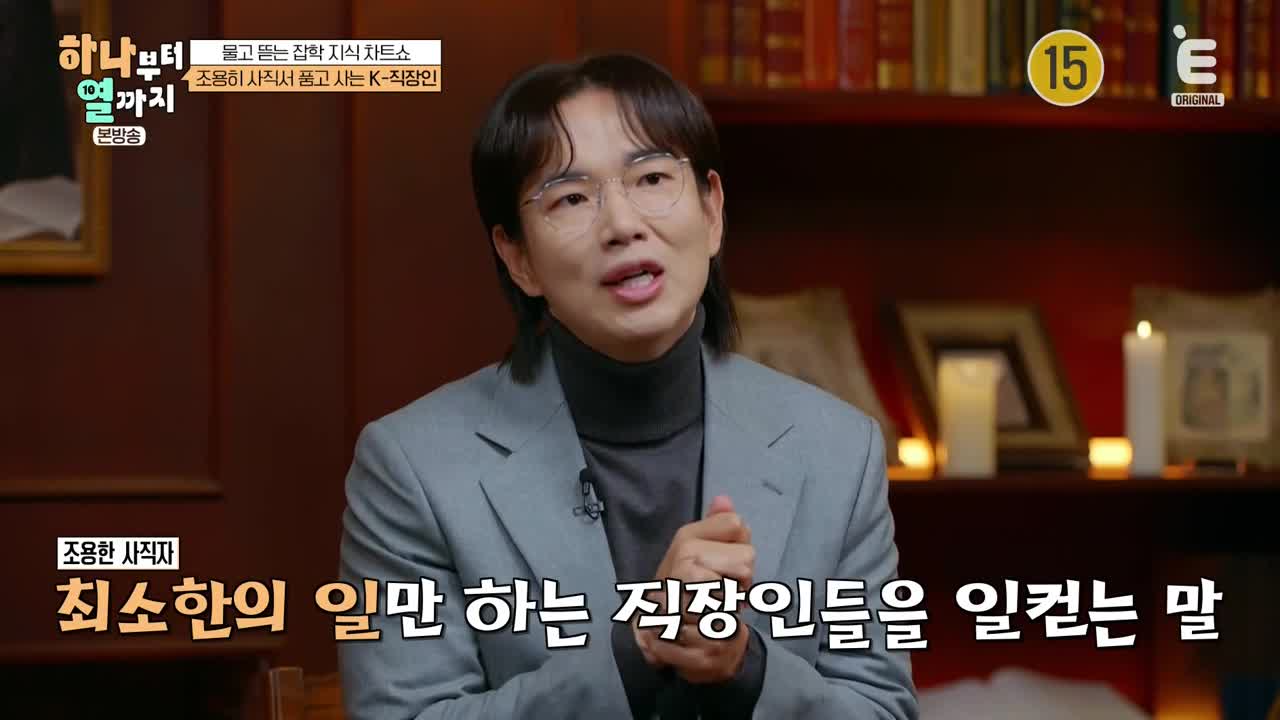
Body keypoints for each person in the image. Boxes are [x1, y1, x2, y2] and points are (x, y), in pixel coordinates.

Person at [338, 52, 918, 720]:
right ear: (518, 257)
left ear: (712, 211)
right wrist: (637, 650)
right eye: (571, 198)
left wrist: (748, 670)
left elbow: (883, 711)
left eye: (651, 178)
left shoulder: (837, 449)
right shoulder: (412, 467)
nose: (622, 225)